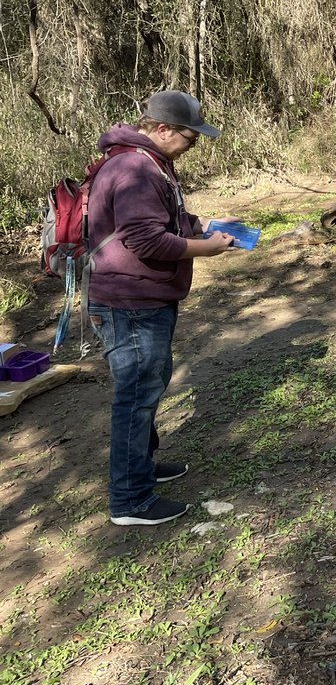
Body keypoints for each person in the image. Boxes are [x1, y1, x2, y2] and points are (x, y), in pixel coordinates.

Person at [87, 91, 238, 526]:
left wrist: (201, 228)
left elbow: (162, 219)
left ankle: (142, 466)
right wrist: (205, 250)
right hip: (129, 301)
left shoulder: (149, 160)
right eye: (190, 138)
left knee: (147, 388)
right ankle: (131, 501)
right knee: (136, 397)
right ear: (163, 129)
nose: (193, 146)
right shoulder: (135, 166)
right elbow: (146, 240)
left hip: (143, 297)